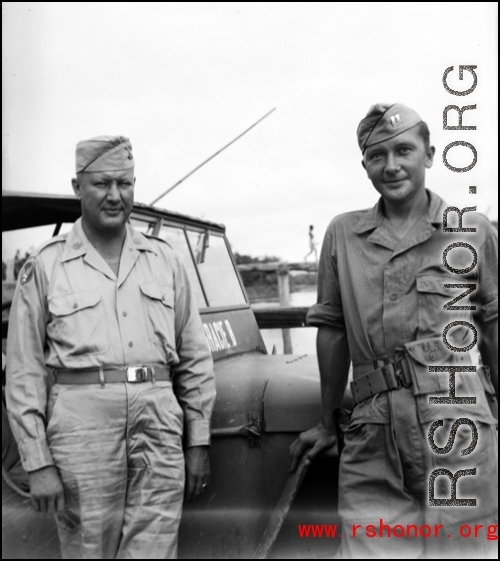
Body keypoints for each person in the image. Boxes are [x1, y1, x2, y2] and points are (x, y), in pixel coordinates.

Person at [289, 104, 498, 559]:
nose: (391, 165)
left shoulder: (473, 231)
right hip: (373, 428)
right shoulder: (343, 234)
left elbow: (494, 327)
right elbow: (332, 330)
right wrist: (327, 422)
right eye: (377, 156)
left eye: (404, 150)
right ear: (364, 165)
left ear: (430, 154)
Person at [6, 135, 216, 559]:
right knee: (89, 550)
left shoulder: (167, 260)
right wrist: (38, 462)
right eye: (102, 184)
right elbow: (24, 371)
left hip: (159, 425)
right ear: (77, 187)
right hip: (80, 432)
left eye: (125, 183)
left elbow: (194, 358)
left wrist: (198, 442)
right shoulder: (44, 267)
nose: (115, 195)